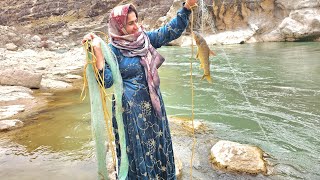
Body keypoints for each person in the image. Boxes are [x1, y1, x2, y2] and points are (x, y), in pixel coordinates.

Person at [82, 0, 197, 179]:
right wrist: (97, 54)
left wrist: (187, 7)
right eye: (130, 23)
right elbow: (107, 82)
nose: (136, 26)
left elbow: (169, 32)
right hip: (130, 112)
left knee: (158, 143)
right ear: (119, 26)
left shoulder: (144, 40)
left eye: (136, 21)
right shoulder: (112, 51)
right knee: (138, 151)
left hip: (153, 106)